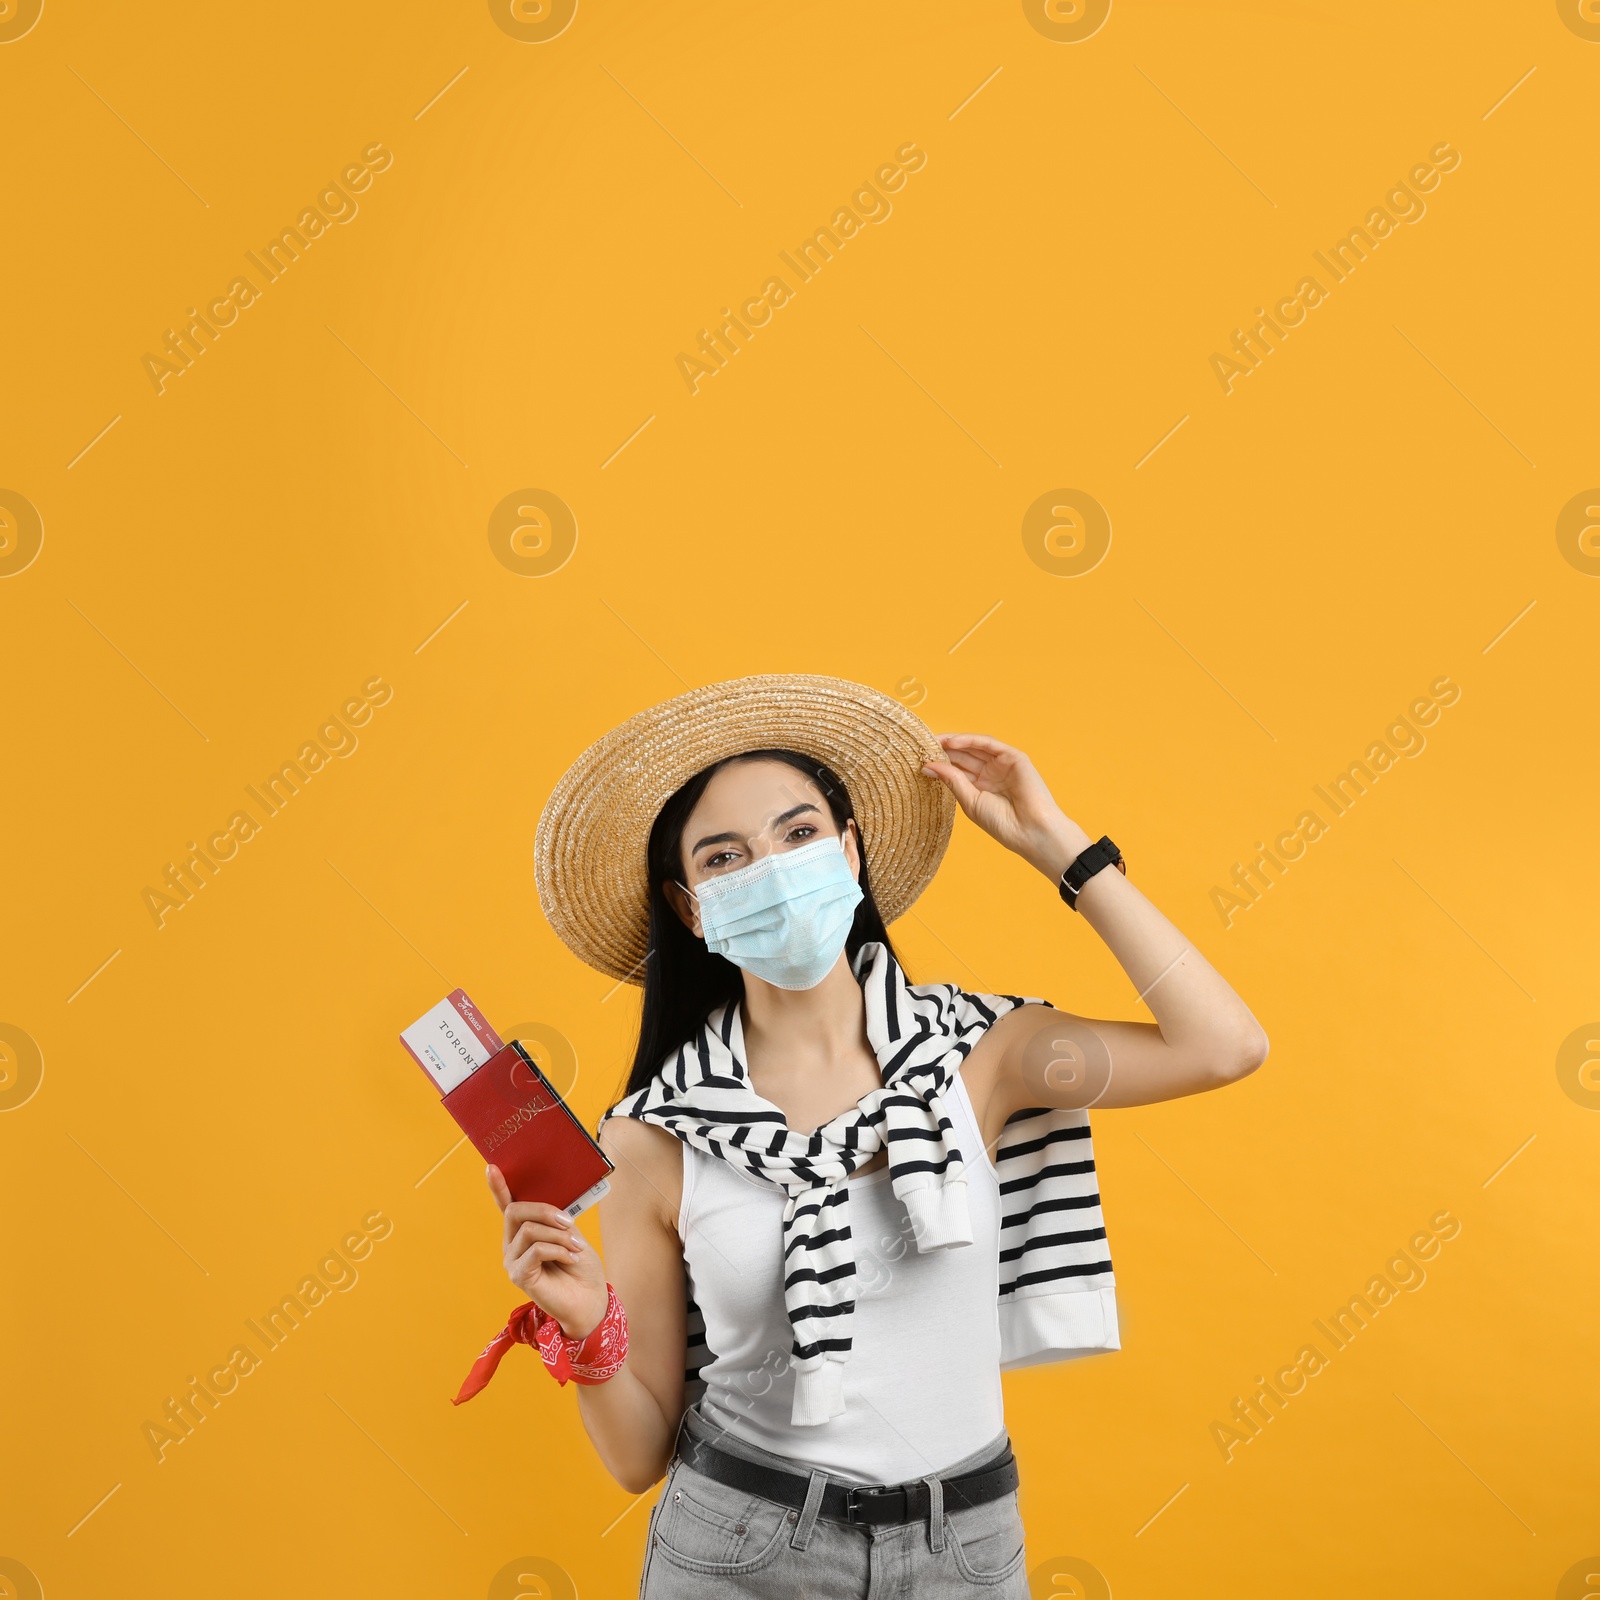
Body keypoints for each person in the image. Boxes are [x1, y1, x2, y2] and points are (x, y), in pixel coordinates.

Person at [484, 673, 1268, 1597]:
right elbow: (636, 1456)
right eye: (725, 858)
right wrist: (583, 1326)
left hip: (965, 1550)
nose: (771, 869)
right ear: (692, 908)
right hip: (738, 1550)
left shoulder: (980, 1056)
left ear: (851, 853)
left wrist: (1060, 847)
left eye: (799, 834)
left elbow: (1224, 1046)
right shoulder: (655, 1136)